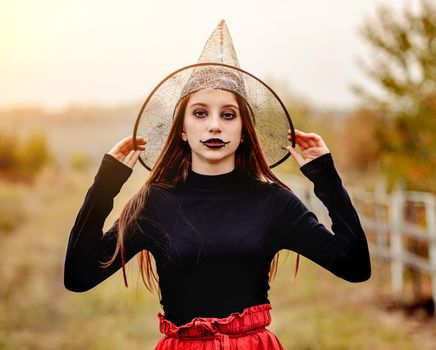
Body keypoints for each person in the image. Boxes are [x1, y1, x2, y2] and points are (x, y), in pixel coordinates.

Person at [64, 20, 371, 350]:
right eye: (199, 113)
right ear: (182, 129)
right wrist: (105, 184)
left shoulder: (273, 203)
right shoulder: (155, 204)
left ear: (243, 129)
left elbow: (354, 266)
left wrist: (326, 177)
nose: (214, 126)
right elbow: (79, 275)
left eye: (228, 115)